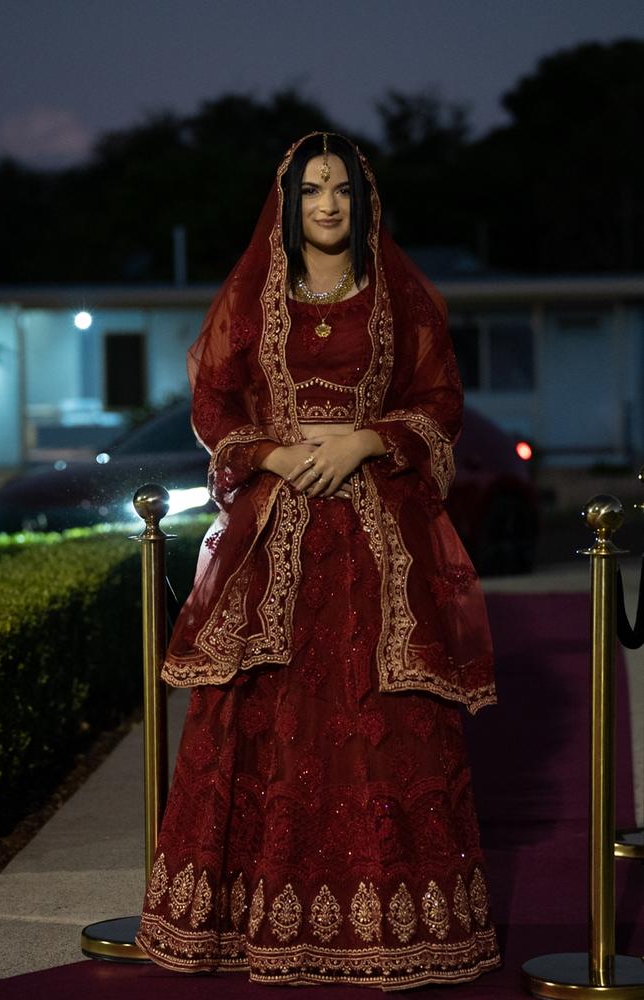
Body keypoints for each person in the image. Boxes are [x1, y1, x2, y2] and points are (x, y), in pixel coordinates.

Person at [135, 132, 501, 989]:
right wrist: (265, 456)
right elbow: (214, 396)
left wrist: (368, 439)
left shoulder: (399, 297)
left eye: (341, 190)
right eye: (312, 191)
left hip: (378, 547)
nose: (328, 205)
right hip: (274, 547)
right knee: (262, 722)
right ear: (288, 203)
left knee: (382, 722)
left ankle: (392, 931)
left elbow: (439, 400)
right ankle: (247, 924)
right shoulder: (254, 297)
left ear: (362, 202)